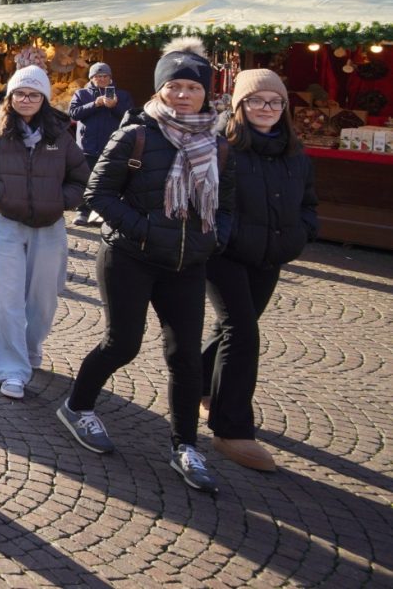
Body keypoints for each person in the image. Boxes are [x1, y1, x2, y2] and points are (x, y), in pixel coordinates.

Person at [57, 37, 235, 495]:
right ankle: (77, 406)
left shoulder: (216, 145)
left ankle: (184, 446)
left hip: (187, 263)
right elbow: (97, 195)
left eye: (190, 88)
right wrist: (143, 230)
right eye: (172, 86)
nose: (181, 95)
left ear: (205, 94)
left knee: (185, 357)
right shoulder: (135, 133)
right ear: (159, 91)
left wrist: (214, 238)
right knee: (122, 344)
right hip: (129, 257)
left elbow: (229, 203)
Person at [202, 69, 318, 473]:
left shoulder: (294, 152)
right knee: (242, 332)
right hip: (226, 255)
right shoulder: (222, 148)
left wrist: (301, 233)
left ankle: (201, 384)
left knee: (233, 326)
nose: (265, 108)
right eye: (255, 101)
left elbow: (308, 202)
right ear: (239, 106)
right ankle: (230, 428)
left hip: (270, 256)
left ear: (284, 108)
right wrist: (221, 237)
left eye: (274, 102)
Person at [0, 65, 90, 399]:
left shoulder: (60, 136)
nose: (26, 99)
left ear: (44, 98)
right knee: (4, 298)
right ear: (10, 97)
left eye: (33, 94)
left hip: (49, 226)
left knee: (42, 299)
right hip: (6, 222)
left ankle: (30, 348)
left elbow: (81, 176)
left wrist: (61, 200)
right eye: (20, 93)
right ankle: (10, 370)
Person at [68, 62, 133, 225]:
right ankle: (83, 211)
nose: (102, 79)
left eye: (105, 76)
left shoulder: (122, 95)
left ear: (110, 78)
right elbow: (74, 114)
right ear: (91, 78)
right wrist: (95, 104)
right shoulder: (81, 94)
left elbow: (129, 117)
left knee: (109, 181)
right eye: (98, 76)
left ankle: (105, 213)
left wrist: (114, 106)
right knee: (85, 179)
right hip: (87, 146)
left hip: (112, 146)